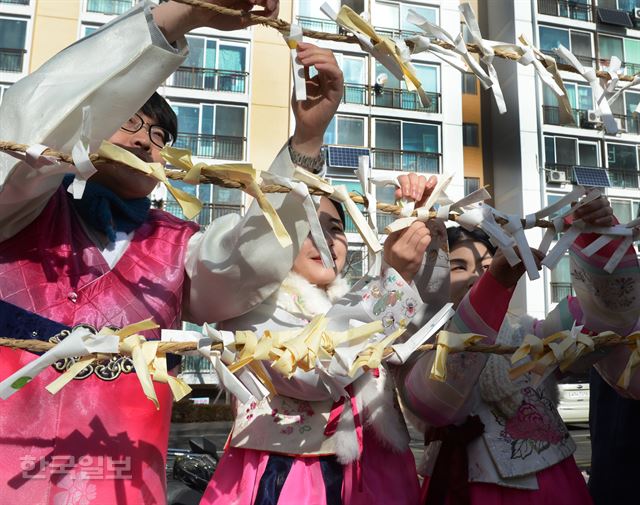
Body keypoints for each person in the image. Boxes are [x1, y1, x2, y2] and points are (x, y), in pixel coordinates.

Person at [0, 1, 355, 503]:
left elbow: (250, 260)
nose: (149, 144)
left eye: (163, 135)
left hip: (122, 483)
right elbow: (29, 134)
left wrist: (309, 137)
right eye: (131, 122)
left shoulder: (179, 244)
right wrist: (182, 14)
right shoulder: (18, 206)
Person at [198, 166, 443, 504]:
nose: (325, 239)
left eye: (335, 228)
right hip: (294, 472)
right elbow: (311, 375)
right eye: (307, 226)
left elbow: (430, 310)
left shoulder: (353, 296)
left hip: (378, 467)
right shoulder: (252, 305)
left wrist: (417, 220)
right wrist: (394, 276)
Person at [396, 191, 635, 505]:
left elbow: (607, 319)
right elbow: (433, 400)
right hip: (461, 487)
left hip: (552, 486)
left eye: (486, 265)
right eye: (458, 266)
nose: (476, 277)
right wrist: (493, 283)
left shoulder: (529, 335)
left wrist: (596, 237)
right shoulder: (413, 341)